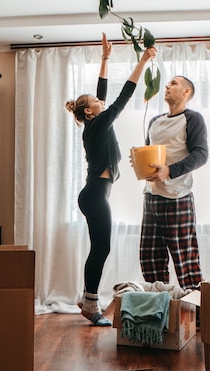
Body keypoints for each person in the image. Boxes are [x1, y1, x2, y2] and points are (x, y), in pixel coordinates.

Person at [65, 33, 156, 326]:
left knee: (100, 247)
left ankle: (87, 298)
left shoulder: (94, 124)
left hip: (95, 193)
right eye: (96, 102)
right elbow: (123, 97)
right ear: (90, 112)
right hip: (94, 194)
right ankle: (90, 305)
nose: (101, 101)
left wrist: (105, 59)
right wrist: (142, 61)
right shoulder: (100, 122)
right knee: (101, 248)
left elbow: (100, 91)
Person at [139, 75, 208, 290]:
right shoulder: (154, 121)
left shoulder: (193, 118)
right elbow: (151, 154)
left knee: (185, 262)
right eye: (168, 83)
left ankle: (197, 317)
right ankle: (160, 310)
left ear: (187, 92)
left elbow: (201, 154)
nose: (167, 86)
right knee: (150, 260)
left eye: (173, 83)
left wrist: (169, 171)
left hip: (178, 198)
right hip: (151, 198)